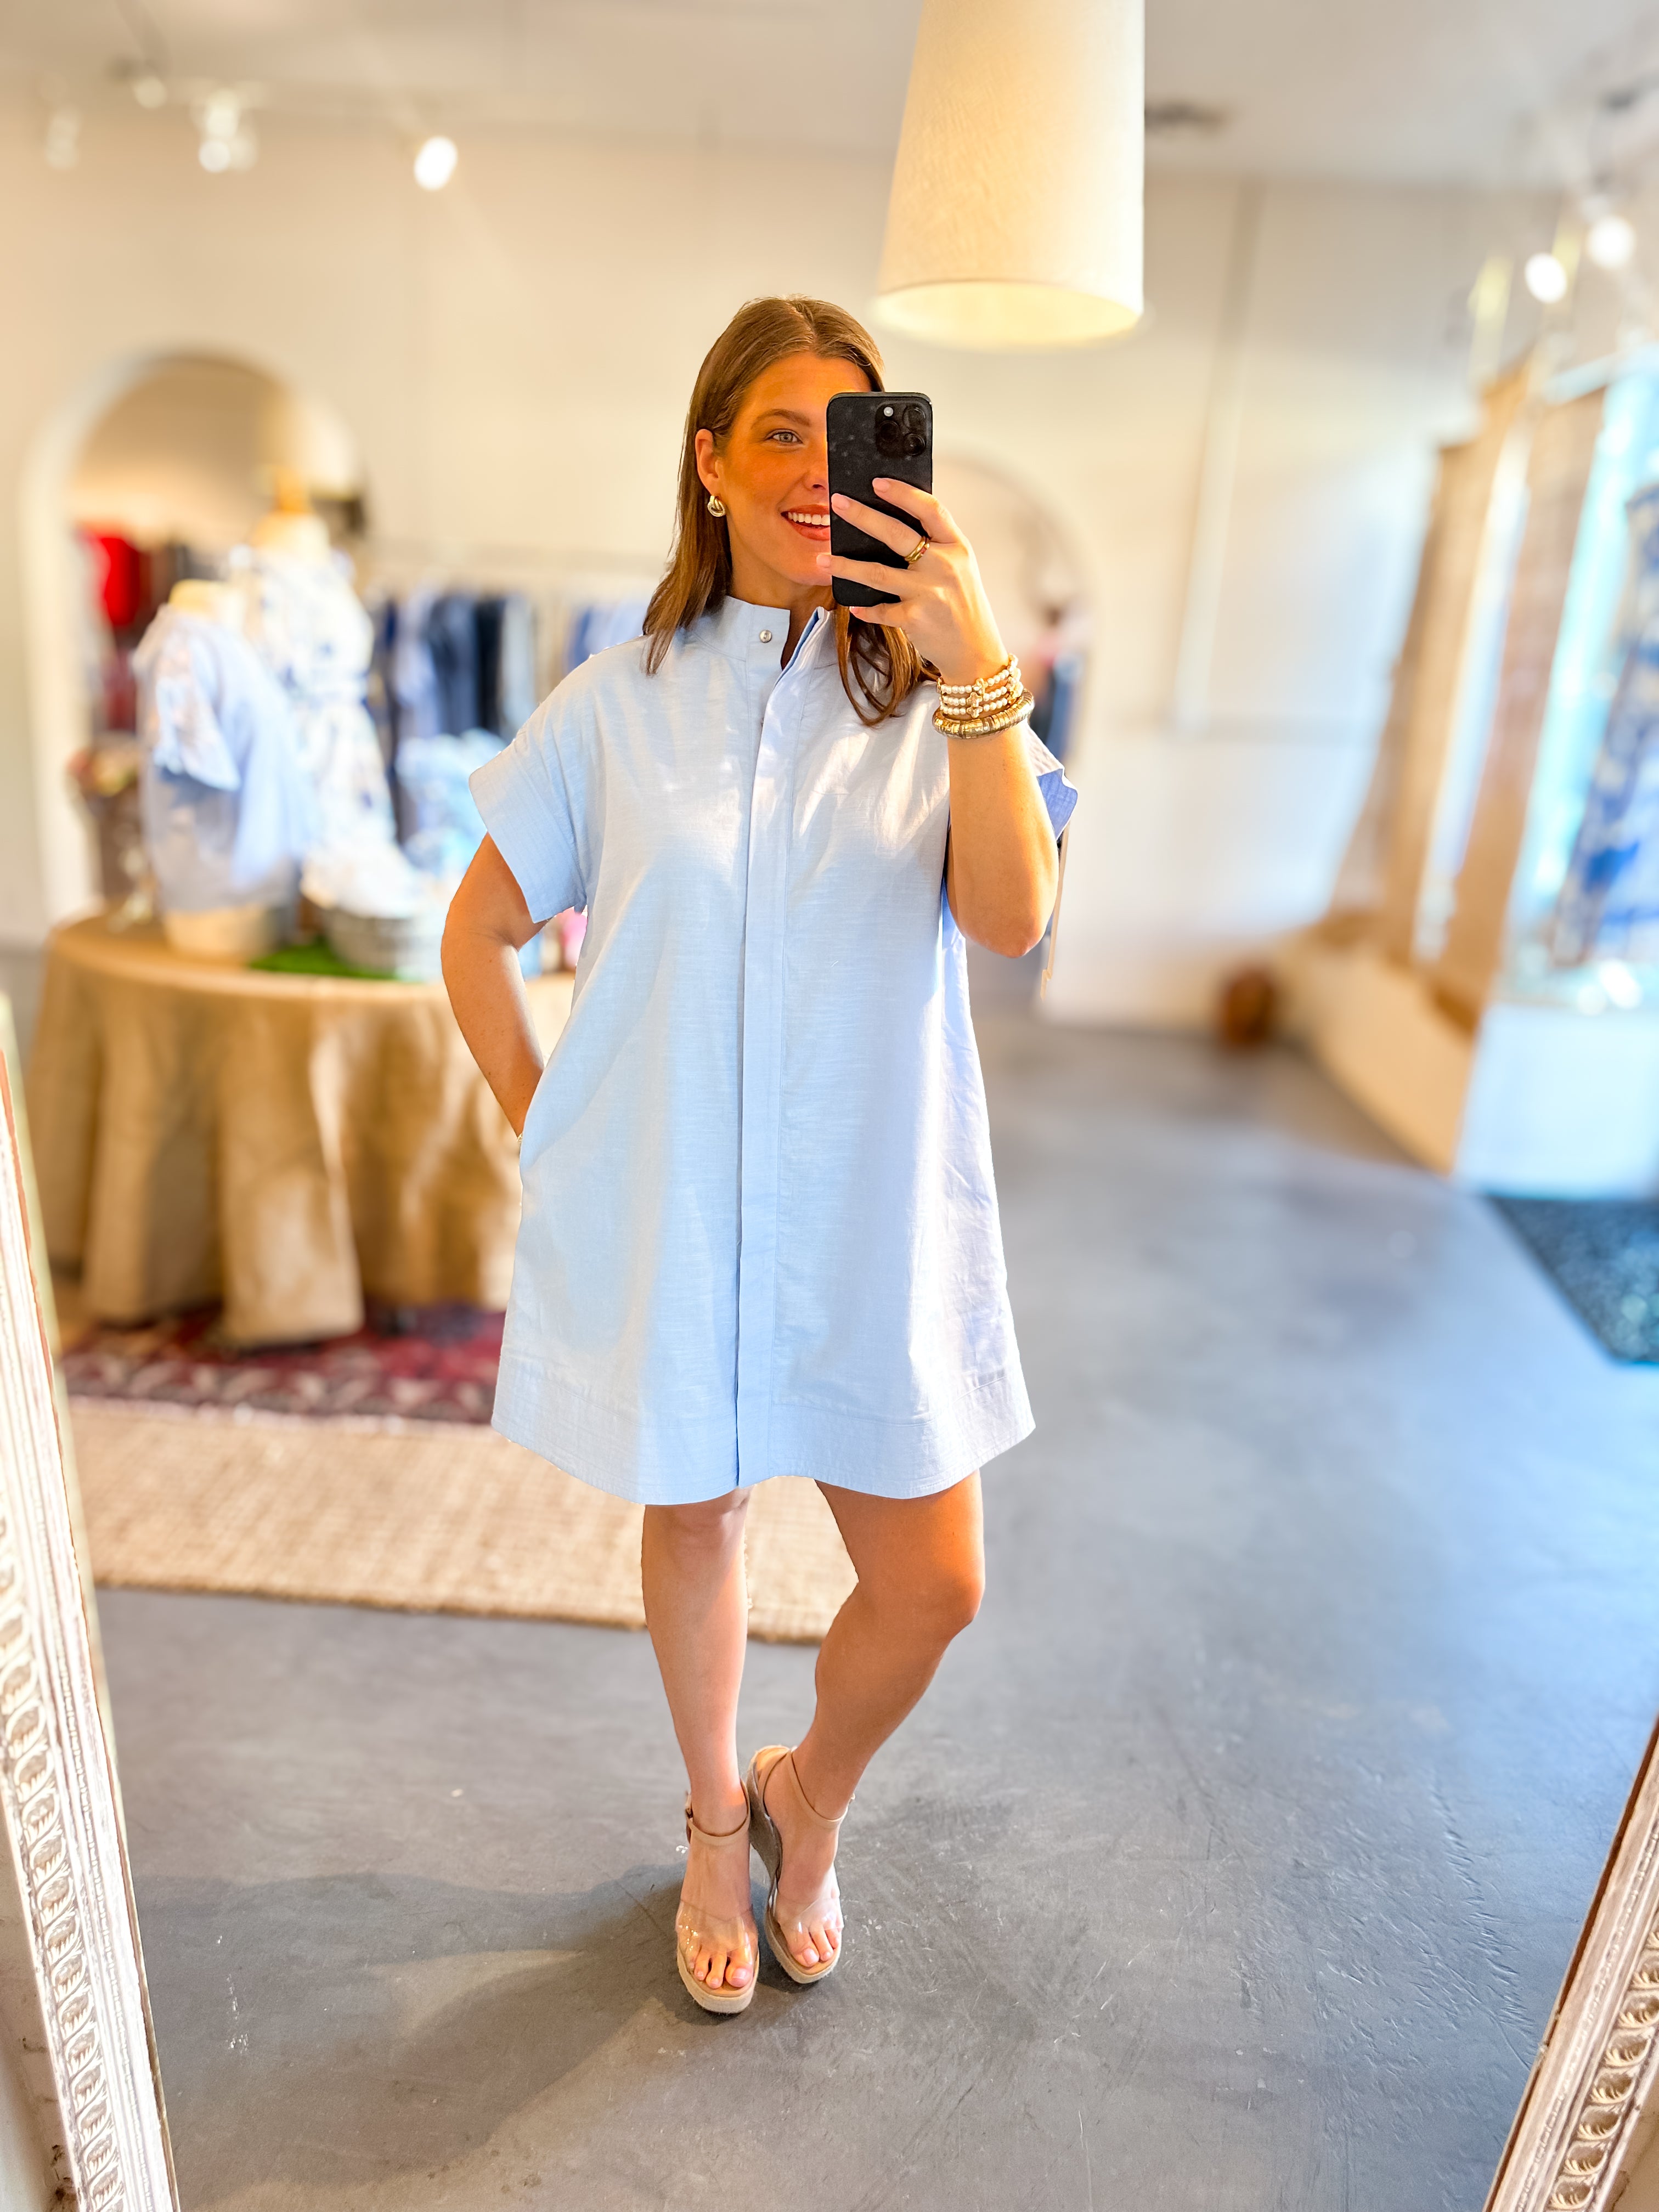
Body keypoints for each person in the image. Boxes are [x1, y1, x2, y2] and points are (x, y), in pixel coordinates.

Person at [442, 295, 1077, 2015]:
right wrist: (552, 1125)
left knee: (936, 1585)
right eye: (779, 433)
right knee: (702, 1516)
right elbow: (477, 935)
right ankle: (718, 1820)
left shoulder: (940, 705)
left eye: (843, 437)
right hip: (689, 1214)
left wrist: (973, 659)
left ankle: (813, 1797)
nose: (813, 470)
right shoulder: (616, 706)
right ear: (710, 463)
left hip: (874, 1212)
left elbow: (1013, 919)